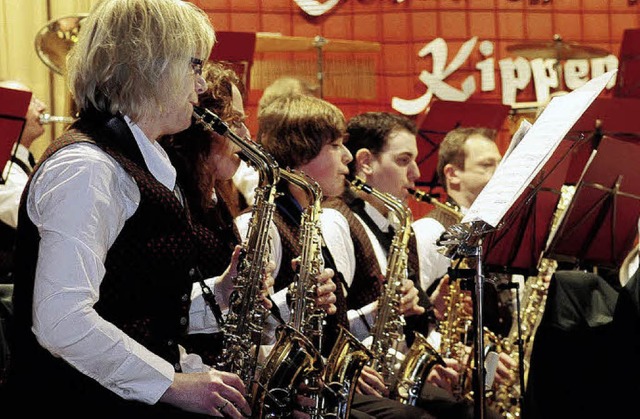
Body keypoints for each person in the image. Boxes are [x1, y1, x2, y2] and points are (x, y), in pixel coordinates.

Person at [2, 1, 259, 416]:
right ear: (152, 65)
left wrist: (215, 298)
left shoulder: (136, 159)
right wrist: (173, 384)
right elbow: (61, 322)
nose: (199, 86)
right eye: (195, 66)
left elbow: (128, 307)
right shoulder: (86, 167)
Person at [237, 94, 435, 418]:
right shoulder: (262, 226)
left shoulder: (312, 222)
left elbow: (326, 328)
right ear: (301, 152)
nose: (347, 157)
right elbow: (249, 330)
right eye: (335, 145)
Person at [322, 112, 512, 419]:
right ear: (366, 162)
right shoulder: (337, 220)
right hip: (362, 378)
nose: (415, 173)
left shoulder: (397, 226)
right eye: (403, 160)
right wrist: (387, 311)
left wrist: (431, 313)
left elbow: (416, 323)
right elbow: (331, 326)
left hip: (394, 371)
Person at [412, 126, 513, 338]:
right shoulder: (430, 231)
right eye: (487, 165)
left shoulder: (494, 228)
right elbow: (416, 313)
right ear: (453, 174)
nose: (501, 173)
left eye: (500, 163)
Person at [0, 80, 47, 284]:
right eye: (31, 101)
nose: (42, 106)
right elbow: (29, 215)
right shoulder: (4, 171)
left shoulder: (26, 162)